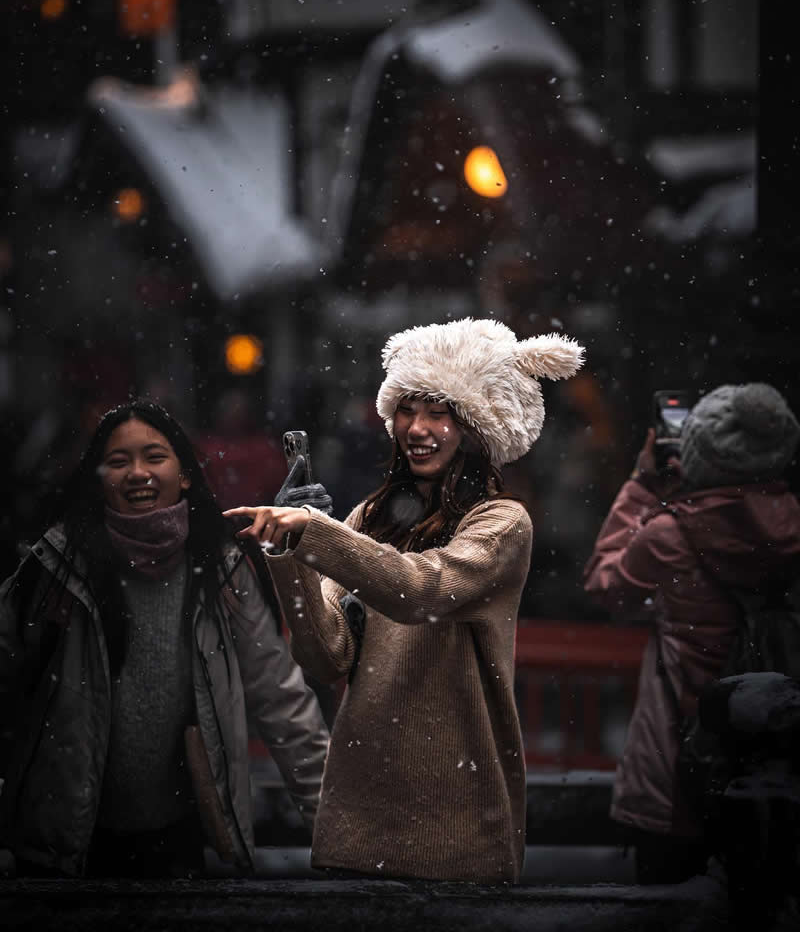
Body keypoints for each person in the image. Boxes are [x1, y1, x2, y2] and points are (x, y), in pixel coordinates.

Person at [226, 317, 585, 884]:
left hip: (457, 814)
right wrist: (290, 554)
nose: (417, 428)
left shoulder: (501, 523)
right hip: (360, 806)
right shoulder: (368, 518)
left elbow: (421, 590)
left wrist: (318, 533)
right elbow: (326, 658)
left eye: (438, 412)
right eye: (407, 410)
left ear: (473, 427)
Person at [0, 399, 329, 878]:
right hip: (61, 850)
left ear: (186, 475)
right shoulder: (56, 566)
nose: (138, 472)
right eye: (118, 461)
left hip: (180, 841)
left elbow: (281, 700)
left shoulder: (222, 568)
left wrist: (337, 834)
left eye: (155, 457)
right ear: (97, 479)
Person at [583, 382, 800, 884]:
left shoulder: (670, 533)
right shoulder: (793, 530)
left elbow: (605, 586)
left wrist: (642, 484)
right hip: (776, 775)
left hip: (677, 776)